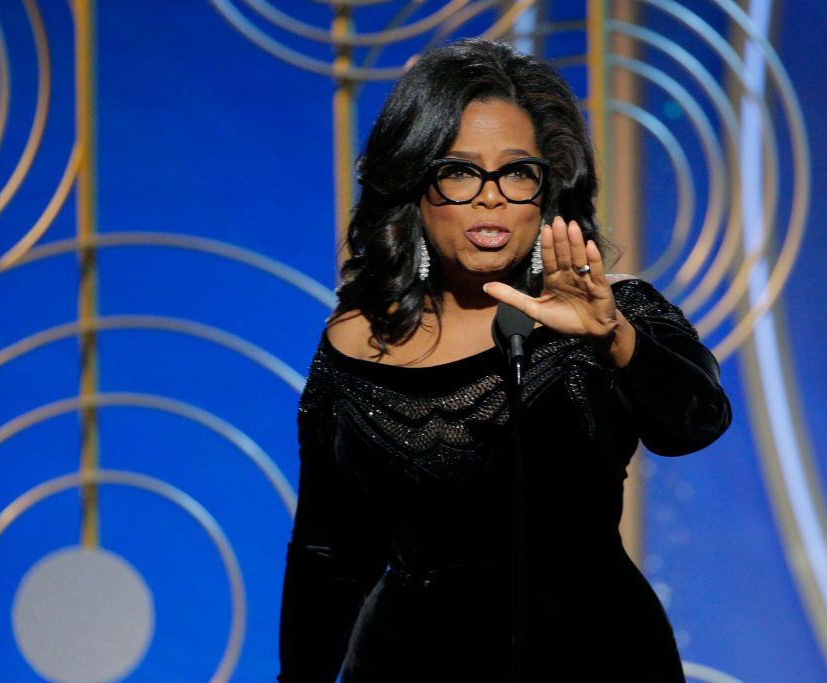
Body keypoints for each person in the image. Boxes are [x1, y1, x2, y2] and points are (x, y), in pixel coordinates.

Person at [277, 39, 731, 682]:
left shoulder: (615, 313)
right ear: (414, 186)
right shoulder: (355, 342)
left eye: (517, 172)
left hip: (595, 659)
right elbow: (329, 555)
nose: (491, 197)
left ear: (547, 192)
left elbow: (696, 423)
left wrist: (613, 337)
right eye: (459, 171)